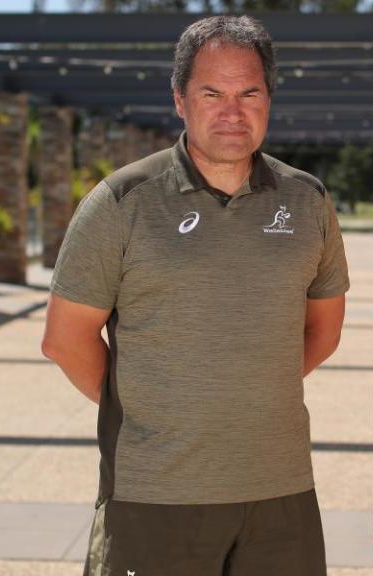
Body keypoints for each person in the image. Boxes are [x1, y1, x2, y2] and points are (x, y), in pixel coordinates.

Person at [41, 15, 349, 576]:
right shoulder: (122, 202)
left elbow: (323, 332)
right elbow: (65, 340)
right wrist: (155, 407)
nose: (233, 111)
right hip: (155, 493)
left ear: (269, 100)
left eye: (249, 93)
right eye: (212, 93)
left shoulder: (308, 201)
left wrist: (243, 389)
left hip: (280, 495)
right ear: (180, 100)